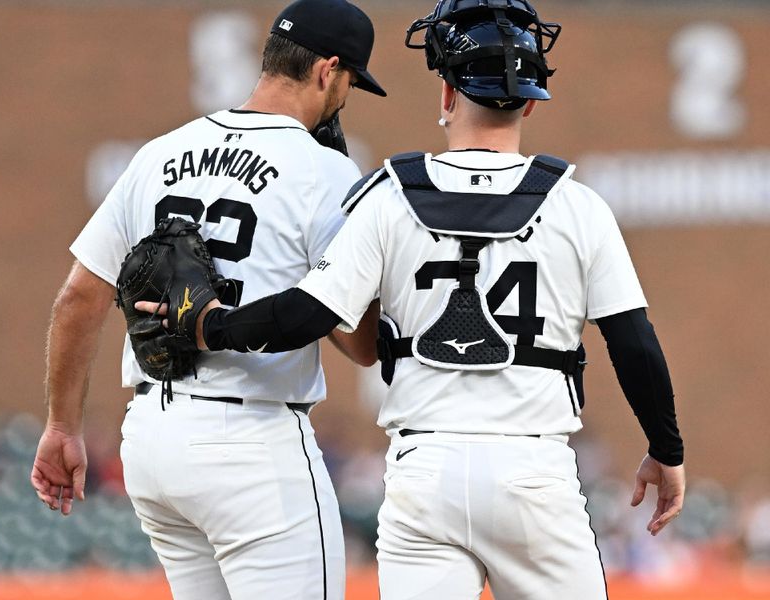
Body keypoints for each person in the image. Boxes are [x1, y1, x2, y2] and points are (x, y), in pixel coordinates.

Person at [139, 0, 686, 598]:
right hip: (534, 474)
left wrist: (210, 328)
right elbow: (635, 344)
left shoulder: (388, 197)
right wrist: (666, 448)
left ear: (446, 95)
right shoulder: (578, 206)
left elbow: (305, 315)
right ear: (531, 101)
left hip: (425, 471)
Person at [30, 1, 385, 598]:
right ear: (328, 71)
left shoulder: (158, 154)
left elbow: (77, 298)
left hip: (152, 438)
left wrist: (62, 425)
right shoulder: (325, 173)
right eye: (350, 81)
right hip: (253, 444)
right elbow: (363, 344)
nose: (346, 95)